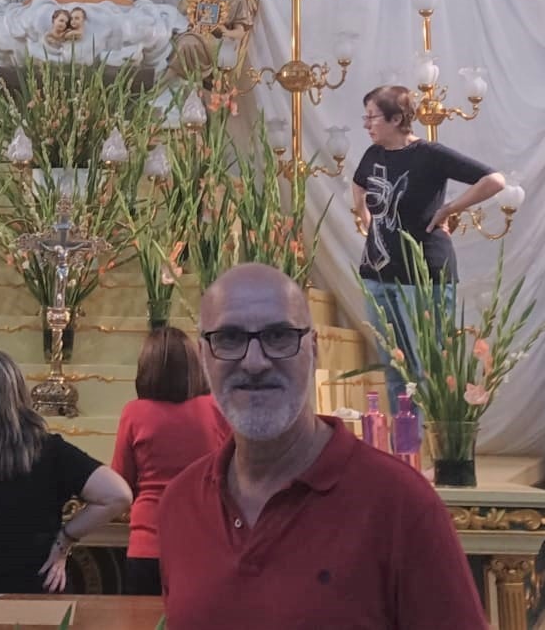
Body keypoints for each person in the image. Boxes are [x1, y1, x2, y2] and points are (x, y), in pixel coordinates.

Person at [156, 264, 488, 630]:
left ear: (314, 350)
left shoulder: (401, 505)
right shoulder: (179, 505)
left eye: (279, 335)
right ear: (204, 357)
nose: (254, 362)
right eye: (229, 338)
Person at [352, 85, 505, 421]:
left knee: (434, 365)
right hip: (378, 275)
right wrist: (362, 213)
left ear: (396, 119)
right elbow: (359, 182)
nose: (366, 123)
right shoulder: (372, 154)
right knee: (396, 368)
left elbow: (494, 180)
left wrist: (451, 207)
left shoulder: (430, 155)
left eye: (372, 116)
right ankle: (408, 448)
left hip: (427, 275)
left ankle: (442, 444)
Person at [0, 350, 132, 593]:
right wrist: (65, 540)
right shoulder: (50, 452)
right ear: (18, 393)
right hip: (36, 593)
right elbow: (118, 495)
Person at [110, 326, 227, 596]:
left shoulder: (134, 413)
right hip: (204, 540)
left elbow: (120, 481)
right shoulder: (216, 409)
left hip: (148, 542)